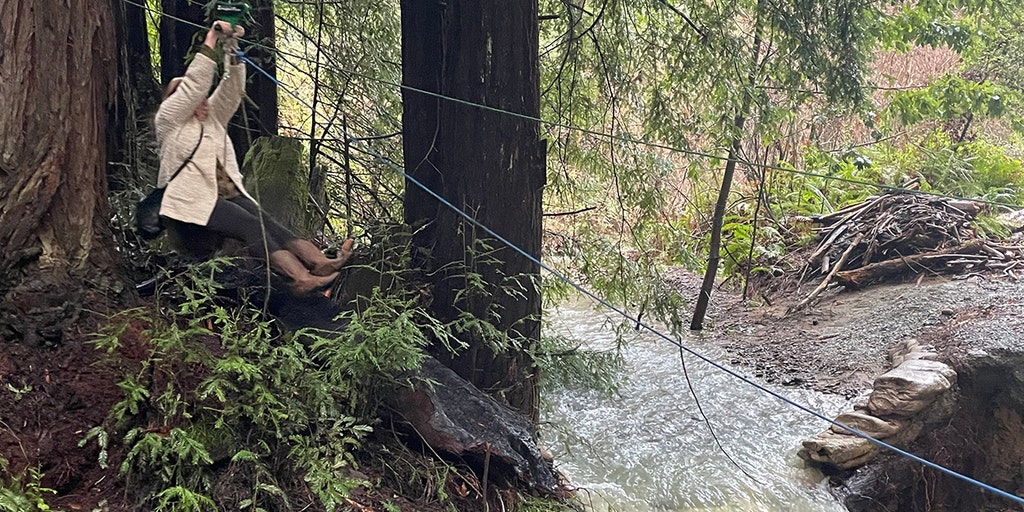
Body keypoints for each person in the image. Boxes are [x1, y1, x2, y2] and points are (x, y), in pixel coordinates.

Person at [154, 20, 351, 295]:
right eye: (186, 95)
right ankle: (300, 279)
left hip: (219, 198)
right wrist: (211, 38)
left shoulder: (212, 121)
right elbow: (195, 86)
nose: (198, 100)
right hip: (187, 206)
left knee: (267, 221)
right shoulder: (168, 120)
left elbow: (232, 89)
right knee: (249, 225)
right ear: (175, 101)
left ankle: (319, 264)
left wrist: (231, 45)